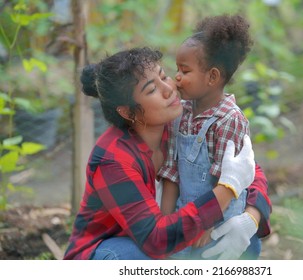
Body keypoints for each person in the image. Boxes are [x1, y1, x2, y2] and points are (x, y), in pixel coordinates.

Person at [63, 46, 256, 260]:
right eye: (151, 90)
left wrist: (252, 218)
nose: (169, 89)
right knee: (134, 257)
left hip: (167, 241)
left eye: (164, 76)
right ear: (127, 112)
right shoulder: (113, 158)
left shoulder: (182, 122)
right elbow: (156, 240)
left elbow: (244, 166)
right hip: (112, 251)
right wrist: (226, 190)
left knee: (246, 241)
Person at [158, 14, 271, 259]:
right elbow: (171, 173)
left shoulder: (230, 120)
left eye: (184, 70)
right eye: (177, 68)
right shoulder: (181, 113)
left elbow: (224, 183)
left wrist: (204, 225)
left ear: (212, 77)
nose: (176, 76)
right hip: (185, 220)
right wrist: (165, 225)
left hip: (218, 228)